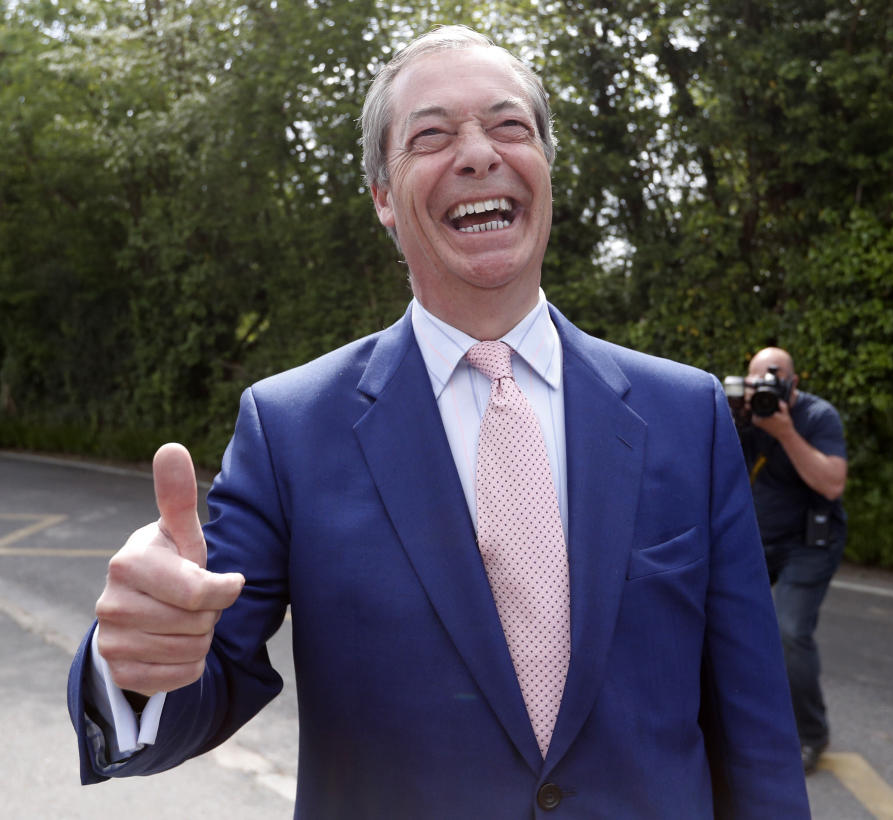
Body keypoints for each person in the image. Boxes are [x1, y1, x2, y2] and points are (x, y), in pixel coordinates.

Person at [66, 25, 811, 818]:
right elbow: (204, 681)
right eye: (431, 135)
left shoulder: (684, 412)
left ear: (546, 170)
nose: (478, 153)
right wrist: (139, 665)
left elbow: (755, 729)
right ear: (384, 198)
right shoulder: (289, 429)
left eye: (509, 126)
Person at [737, 347, 848, 774]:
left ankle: (810, 735)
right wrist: (736, 417)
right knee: (716, 620)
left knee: (790, 632)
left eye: (773, 378)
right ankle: (732, 720)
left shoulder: (818, 417)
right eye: (755, 380)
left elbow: (832, 482)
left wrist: (784, 433)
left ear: (793, 383)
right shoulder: (742, 416)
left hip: (810, 542)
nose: (763, 387)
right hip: (758, 539)